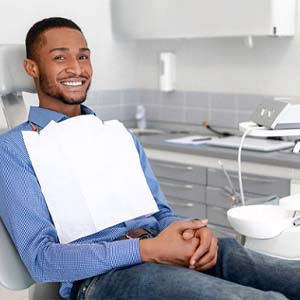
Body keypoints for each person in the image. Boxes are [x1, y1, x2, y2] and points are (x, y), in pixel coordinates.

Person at [0, 17, 298, 300]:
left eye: (83, 56)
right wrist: (147, 251)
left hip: (164, 249)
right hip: (105, 278)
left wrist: (194, 231)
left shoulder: (116, 136)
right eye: (60, 57)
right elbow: (41, 259)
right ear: (32, 67)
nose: (77, 68)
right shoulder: (15, 150)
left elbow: (161, 215)